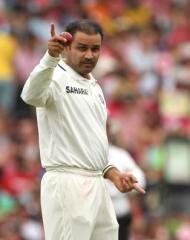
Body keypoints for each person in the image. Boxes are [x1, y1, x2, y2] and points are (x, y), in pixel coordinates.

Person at [21, 19, 145, 240]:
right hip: (67, 183)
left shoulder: (94, 85)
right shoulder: (54, 75)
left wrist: (112, 173)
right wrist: (50, 58)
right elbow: (30, 96)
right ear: (67, 47)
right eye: (82, 48)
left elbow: (91, 141)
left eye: (95, 49)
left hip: (98, 184)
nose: (89, 55)